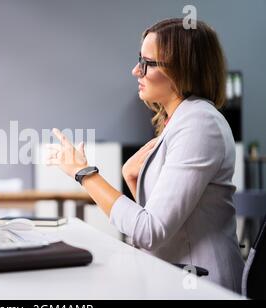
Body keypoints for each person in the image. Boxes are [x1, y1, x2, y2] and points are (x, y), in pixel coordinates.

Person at [47, 18, 244, 292]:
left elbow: (149, 232)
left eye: (148, 63)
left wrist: (84, 174)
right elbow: (167, 219)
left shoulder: (200, 124)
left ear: (182, 70)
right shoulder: (179, 121)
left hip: (205, 287)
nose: (135, 70)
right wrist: (131, 178)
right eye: (140, 59)